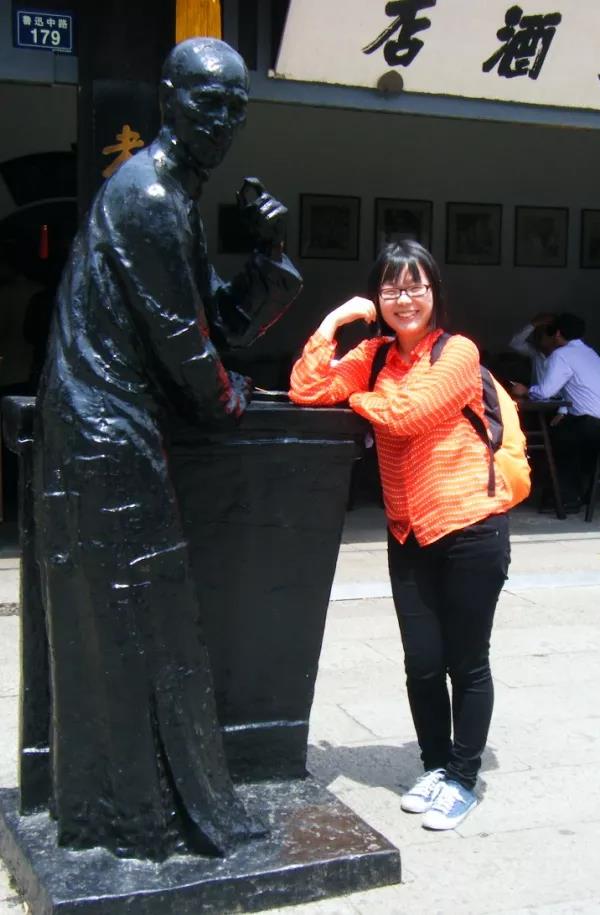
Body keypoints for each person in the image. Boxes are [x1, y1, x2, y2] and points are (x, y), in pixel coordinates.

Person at [32, 38, 302, 860]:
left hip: (111, 426)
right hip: (103, 431)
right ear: (168, 99)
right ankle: (144, 818)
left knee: (133, 622)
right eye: (207, 102)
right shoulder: (148, 192)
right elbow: (187, 344)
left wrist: (268, 258)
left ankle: (130, 812)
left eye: (235, 109)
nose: (222, 122)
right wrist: (229, 399)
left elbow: (217, 318)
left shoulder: (172, 197)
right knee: (138, 621)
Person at [290, 240, 512, 830]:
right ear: (377, 297)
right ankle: (435, 767)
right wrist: (334, 323)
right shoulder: (372, 353)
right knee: (422, 663)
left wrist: (358, 400)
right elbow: (307, 391)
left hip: (470, 526)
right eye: (391, 288)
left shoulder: (457, 352)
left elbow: (409, 416)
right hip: (408, 532)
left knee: (467, 662)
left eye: (416, 286)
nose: (404, 299)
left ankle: (462, 778)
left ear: (434, 292)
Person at [511, 313, 600, 510]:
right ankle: (571, 495)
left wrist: (525, 390)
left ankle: (564, 499)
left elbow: (545, 392)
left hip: (588, 424)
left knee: (554, 444)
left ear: (558, 334)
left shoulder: (561, 355)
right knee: (563, 438)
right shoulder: (591, 354)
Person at [508, 312, 557, 386]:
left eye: (543, 331)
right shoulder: (536, 353)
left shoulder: (564, 356)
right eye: (536, 331)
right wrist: (533, 324)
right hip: (535, 393)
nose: (538, 336)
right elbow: (515, 343)